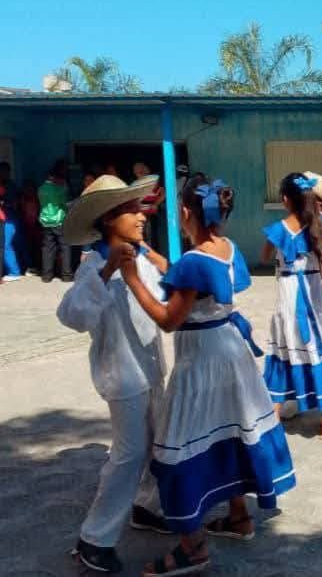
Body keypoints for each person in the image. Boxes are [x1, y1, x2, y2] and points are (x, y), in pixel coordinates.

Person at [121, 175, 295, 577]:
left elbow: (169, 318)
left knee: (181, 442)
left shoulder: (195, 262)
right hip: (229, 351)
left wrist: (132, 279)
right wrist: (148, 255)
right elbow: (187, 278)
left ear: (184, 212)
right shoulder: (225, 249)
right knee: (230, 430)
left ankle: (192, 547)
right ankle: (239, 518)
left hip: (201, 360)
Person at [57, 173, 168, 574]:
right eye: (128, 209)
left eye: (138, 207)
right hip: (121, 376)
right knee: (128, 453)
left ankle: (147, 505)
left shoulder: (141, 257)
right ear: (106, 219)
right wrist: (106, 276)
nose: (140, 216)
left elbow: (163, 301)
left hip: (152, 367)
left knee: (156, 441)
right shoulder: (94, 265)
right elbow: (71, 316)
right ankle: (94, 538)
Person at [262, 172, 322, 441]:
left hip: (287, 301)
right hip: (317, 302)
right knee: (320, 355)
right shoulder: (320, 228)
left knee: (284, 356)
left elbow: (264, 255)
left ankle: (271, 419)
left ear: (285, 200)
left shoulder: (277, 229)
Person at [39, 158, 73, 282]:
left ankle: (46, 276)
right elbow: (65, 203)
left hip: (45, 221)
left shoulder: (41, 188)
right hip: (59, 220)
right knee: (65, 247)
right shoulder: (59, 189)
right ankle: (66, 275)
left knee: (48, 248)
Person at [132, 162, 165, 248]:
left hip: (151, 214)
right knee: (141, 236)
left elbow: (163, 194)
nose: (140, 172)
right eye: (138, 171)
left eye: (142, 169)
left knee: (151, 236)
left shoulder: (154, 182)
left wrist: (155, 204)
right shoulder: (135, 184)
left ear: (147, 170)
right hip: (139, 214)